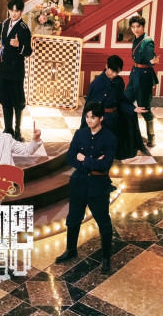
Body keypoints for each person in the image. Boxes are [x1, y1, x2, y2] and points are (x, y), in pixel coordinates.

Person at [56, 101, 117, 273]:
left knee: (103, 222)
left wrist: (85, 159)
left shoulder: (110, 138)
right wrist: (92, 162)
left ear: (101, 118)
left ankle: (106, 258)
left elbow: (105, 165)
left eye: (93, 117)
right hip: (79, 183)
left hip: (99, 186)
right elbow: (70, 157)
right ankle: (71, 250)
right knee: (73, 219)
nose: (89, 120)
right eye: (87, 117)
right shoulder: (80, 133)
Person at [82, 55, 147, 159]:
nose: (114, 74)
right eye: (112, 71)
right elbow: (90, 106)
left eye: (117, 72)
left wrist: (133, 108)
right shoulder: (97, 83)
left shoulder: (119, 81)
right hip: (102, 120)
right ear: (106, 66)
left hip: (115, 118)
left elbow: (121, 100)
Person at [0, 0, 32, 140]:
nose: (13, 14)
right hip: (4, 68)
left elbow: (28, 51)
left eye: (16, 11)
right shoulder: (5, 23)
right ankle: (8, 129)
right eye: (11, 11)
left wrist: (19, 46)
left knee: (17, 101)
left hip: (16, 70)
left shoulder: (24, 28)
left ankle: (17, 130)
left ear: (21, 12)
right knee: (5, 99)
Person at [125, 15, 159, 147]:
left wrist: (152, 61)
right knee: (125, 101)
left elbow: (150, 58)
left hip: (144, 77)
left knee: (144, 107)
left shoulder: (147, 41)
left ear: (143, 26)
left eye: (138, 26)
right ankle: (130, 133)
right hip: (135, 74)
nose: (135, 29)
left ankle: (151, 136)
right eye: (133, 27)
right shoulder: (136, 39)